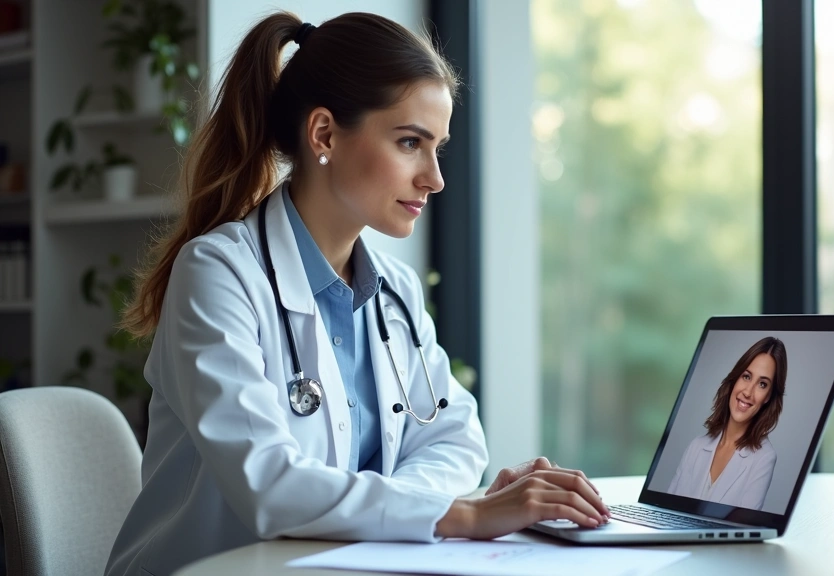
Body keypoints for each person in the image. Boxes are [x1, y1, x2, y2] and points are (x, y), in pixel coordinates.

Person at [105, 12, 608, 576]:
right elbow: (269, 486)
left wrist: (421, 509)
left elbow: (455, 440)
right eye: (410, 142)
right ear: (324, 134)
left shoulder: (396, 290)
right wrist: (459, 514)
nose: (435, 177)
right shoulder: (219, 273)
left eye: (437, 146)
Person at [667, 336, 787, 510]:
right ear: (735, 378)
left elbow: (741, 526)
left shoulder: (764, 458)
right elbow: (665, 509)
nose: (748, 392)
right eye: (746, 377)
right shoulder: (696, 446)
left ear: (768, 396)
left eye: (762, 384)